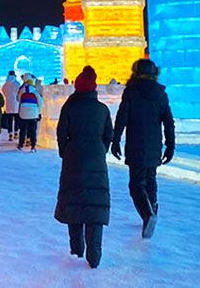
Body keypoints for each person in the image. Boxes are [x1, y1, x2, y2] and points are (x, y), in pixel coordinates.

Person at [54, 66, 113, 269]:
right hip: (96, 159)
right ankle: (94, 255)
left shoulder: (69, 107)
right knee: (95, 205)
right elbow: (109, 136)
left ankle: (76, 250)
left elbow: (61, 133)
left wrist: (66, 152)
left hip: (73, 158)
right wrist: (99, 151)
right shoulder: (102, 109)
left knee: (74, 203)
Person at [111, 59, 175, 239]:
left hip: (136, 144)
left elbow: (122, 117)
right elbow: (168, 122)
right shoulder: (161, 94)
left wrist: (115, 140)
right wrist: (170, 145)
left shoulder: (131, 92)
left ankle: (148, 215)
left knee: (136, 184)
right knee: (150, 179)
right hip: (155, 144)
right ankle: (152, 211)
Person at [17, 79, 43, 152]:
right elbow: (40, 103)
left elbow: (19, 100)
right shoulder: (35, 92)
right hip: (33, 114)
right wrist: (39, 112)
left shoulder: (21, 92)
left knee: (22, 130)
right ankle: (33, 146)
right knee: (33, 131)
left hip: (23, 114)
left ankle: (21, 145)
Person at [1, 71, 20, 141]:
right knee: (17, 119)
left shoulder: (6, 84)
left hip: (8, 103)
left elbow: (4, 91)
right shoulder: (17, 83)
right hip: (16, 103)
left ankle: (10, 134)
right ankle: (16, 132)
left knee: (9, 120)